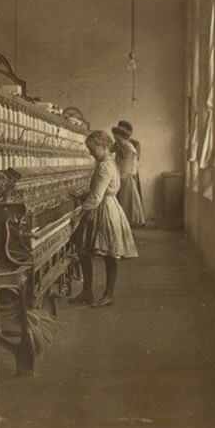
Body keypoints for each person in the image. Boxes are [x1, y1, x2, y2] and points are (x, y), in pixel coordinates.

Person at [69, 130, 138, 307]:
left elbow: (96, 197)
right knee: (84, 251)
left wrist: (78, 213)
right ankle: (87, 292)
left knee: (107, 254)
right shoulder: (108, 162)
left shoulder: (105, 166)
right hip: (104, 206)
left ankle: (107, 294)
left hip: (103, 210)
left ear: (103, 147)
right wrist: (84, 193)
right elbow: (101, 190)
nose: (90, 152)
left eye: (93, 149)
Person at [112, 123, 147, 227]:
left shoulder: (129, 149)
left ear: (124, 137)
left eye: (118, 139)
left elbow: (124, 168)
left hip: (125, 179)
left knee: (124, 205)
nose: (117, 142)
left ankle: (125, 229)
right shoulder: (120, 146)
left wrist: (114, 177)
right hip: (121, 178)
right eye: (116, 139)